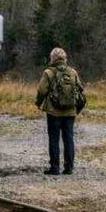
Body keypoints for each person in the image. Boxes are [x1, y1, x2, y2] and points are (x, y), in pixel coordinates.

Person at [35, 47, 85, 175]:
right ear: (64, 58)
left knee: (54, 138)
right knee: (68, 138)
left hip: (53, 112)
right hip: (70, 111)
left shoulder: (48, 72)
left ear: (52, 58)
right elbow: (80, 89)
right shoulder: (72, 72)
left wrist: (38, 103)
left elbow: (41, 90)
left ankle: (55, 167)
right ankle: (69, 168)